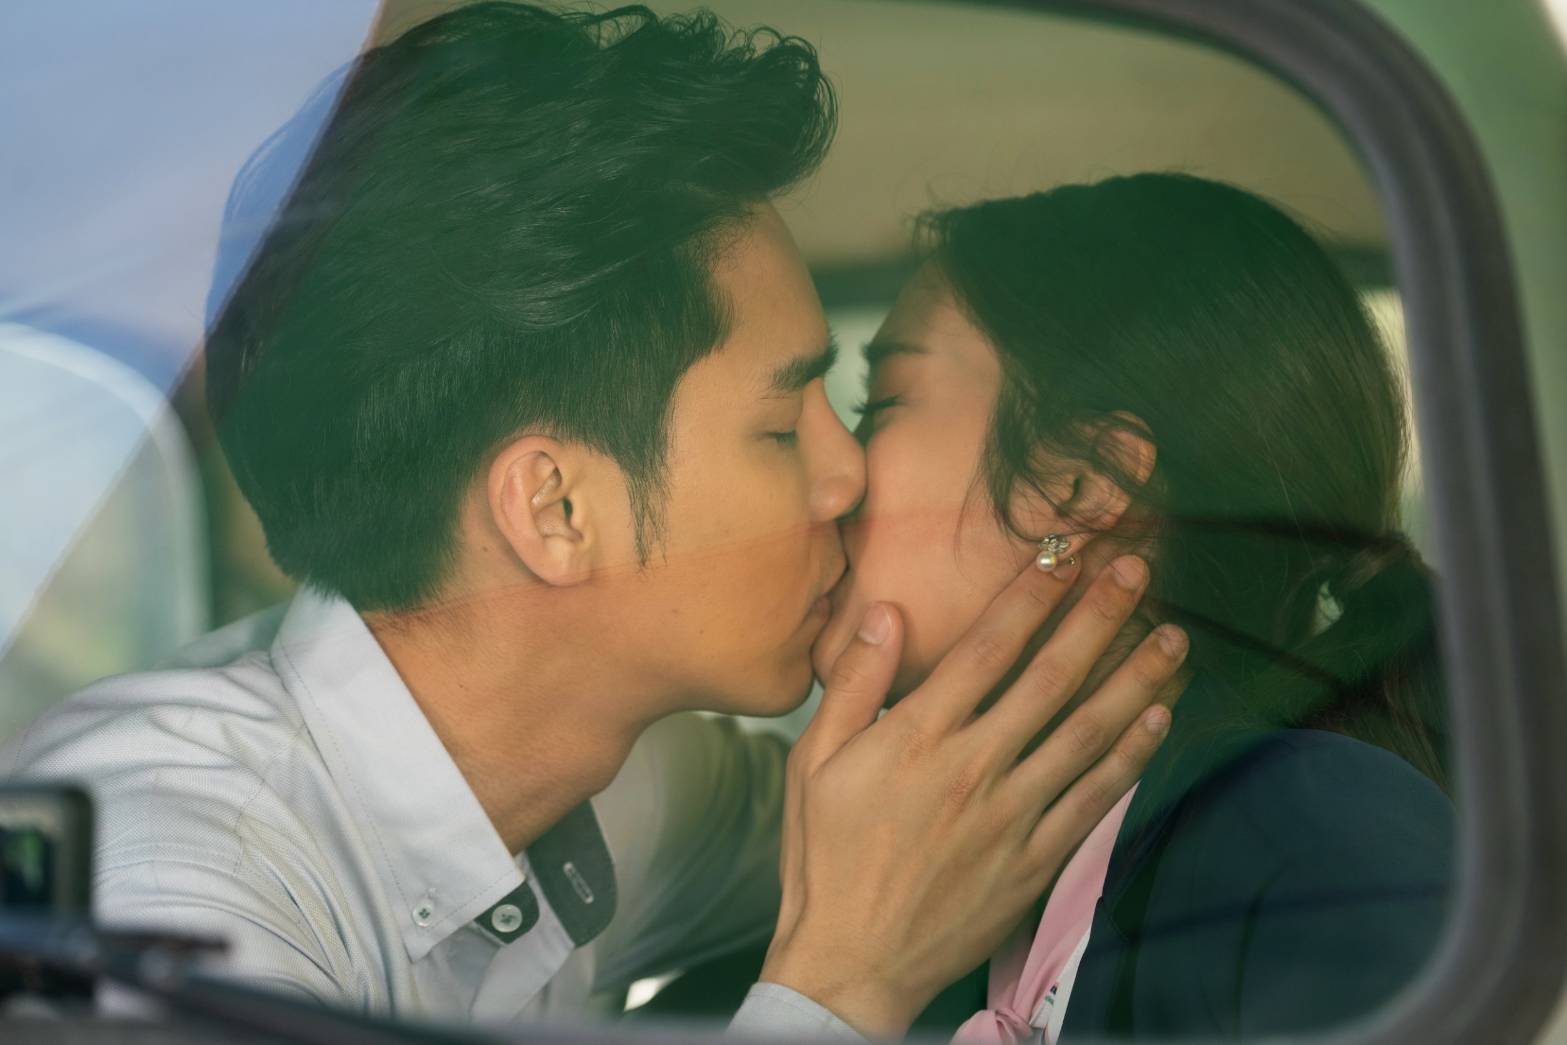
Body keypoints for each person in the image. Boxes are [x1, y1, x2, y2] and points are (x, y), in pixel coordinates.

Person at [0, 6, 1183, 1040]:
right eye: (782, 427)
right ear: (555, 511)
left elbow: (902, 836)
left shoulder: (619, 782)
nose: (846, 477)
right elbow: (864, 913)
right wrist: (840, 988)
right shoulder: (153, 890)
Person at [812, 174, 1455, 1040]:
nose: (832, 479)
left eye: (880, 403)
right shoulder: (934, 895)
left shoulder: (1318, 838)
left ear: (1085, 485)